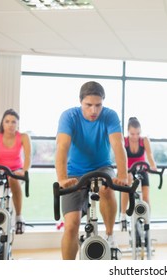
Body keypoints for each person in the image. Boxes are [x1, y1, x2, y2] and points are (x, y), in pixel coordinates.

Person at [55, 81, 128, 260]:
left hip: (102, 167)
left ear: (103, 102)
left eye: (98, 105)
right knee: (71, 225)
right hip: (74, 172)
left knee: (107, 188)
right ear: (81, 102)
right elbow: (62, 146)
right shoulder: (69, 116)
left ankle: (110, 236)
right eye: (89, 105)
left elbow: (118, 145)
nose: (94, 110)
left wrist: (123, 175)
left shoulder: (110, 116)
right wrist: (62, 178)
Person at [0, 109, 32, 234]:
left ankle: (18, 217)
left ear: (17, 124)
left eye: (13, 122)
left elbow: (28, 157)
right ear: (2, 123)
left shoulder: (23, 137)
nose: (10, 125)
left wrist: (24, 170)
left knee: (13, 179)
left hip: (15, 171)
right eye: (7, 121)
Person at [120, 117, 157, 231]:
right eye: (132, 134)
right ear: (127, 131)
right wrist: (123, 171)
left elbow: (149, 155)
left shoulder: (144, 140)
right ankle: (123, 216)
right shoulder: (124, 141)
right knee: (127, 184)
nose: (135, 136)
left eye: (137, 133)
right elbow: (120, 158)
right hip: (128, 169)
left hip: (142, 169)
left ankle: (147, 220)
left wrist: (153, 165)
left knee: (145, 196)